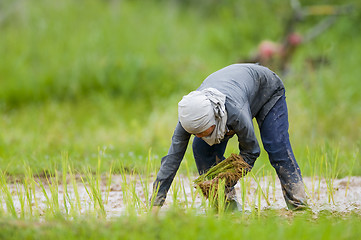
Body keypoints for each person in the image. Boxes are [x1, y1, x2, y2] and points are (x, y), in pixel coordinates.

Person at [151, 63, 308, 211]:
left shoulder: (236, 113)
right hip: (237, 89)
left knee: (276, 147)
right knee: (201, 149)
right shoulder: (190, 116)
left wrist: (222, 181)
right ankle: (225, 206)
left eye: (201, 131)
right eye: (194, 133)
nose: (198, 135)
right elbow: (172, 159)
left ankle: (298, 205)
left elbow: (251, 151)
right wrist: (155, 204)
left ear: (214, 120)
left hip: (267, 89)